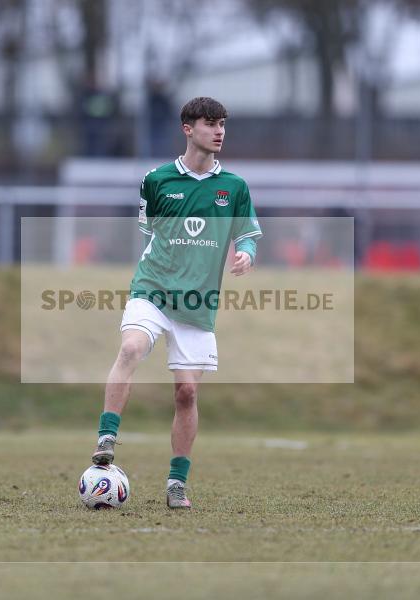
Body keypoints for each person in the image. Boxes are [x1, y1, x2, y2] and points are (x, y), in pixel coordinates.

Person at [90, 97, 263, 509]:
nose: (219, 131)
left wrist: (246, 254)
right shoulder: (157, 179)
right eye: (210, 123)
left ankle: (176, 483)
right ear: (188, 128)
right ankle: (107, 436)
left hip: (197, 304)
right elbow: (149, 230)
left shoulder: (234, 187)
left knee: (186, 393)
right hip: (152, 288)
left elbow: (250, 233)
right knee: (131, 347)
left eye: (223, 124)